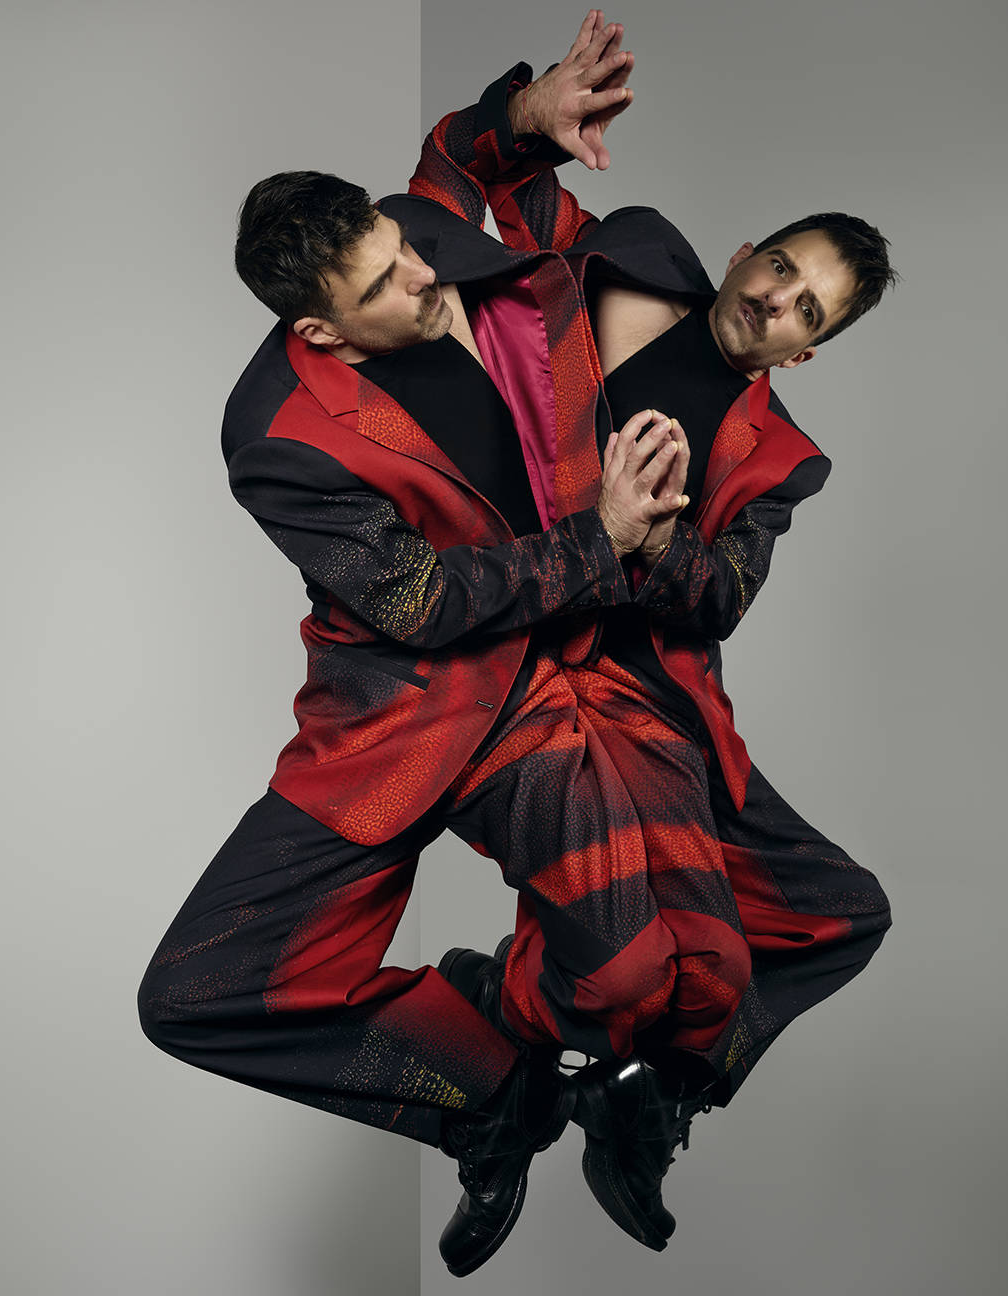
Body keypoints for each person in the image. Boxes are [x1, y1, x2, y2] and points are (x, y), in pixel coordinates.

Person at [138, 31, 743, 1278]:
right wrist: (604, 537)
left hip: (547, 694)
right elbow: (420, 601)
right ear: (323, 332)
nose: (420, 273)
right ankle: (492, 1102)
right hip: (401, 716)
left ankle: (550, 1036)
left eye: (401, 245)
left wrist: (526, 111)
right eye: (386, 283)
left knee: (645, 969)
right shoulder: (278, 437)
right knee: (195, 995)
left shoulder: (418, 236)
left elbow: (459, 167)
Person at [405, 10, 894, 1257]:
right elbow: (464, 195)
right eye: (779, 267)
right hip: (511, 668)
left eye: (806, 311)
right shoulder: (617, 263)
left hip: (652, 701)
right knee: (630, 959)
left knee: (837, 913)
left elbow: (722, 594)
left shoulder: (780, 460)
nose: (776, 302)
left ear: (808, 351)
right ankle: (502, 1074)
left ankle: (649, 1094)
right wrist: (526, 115)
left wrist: (653, 538)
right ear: (743, 254)